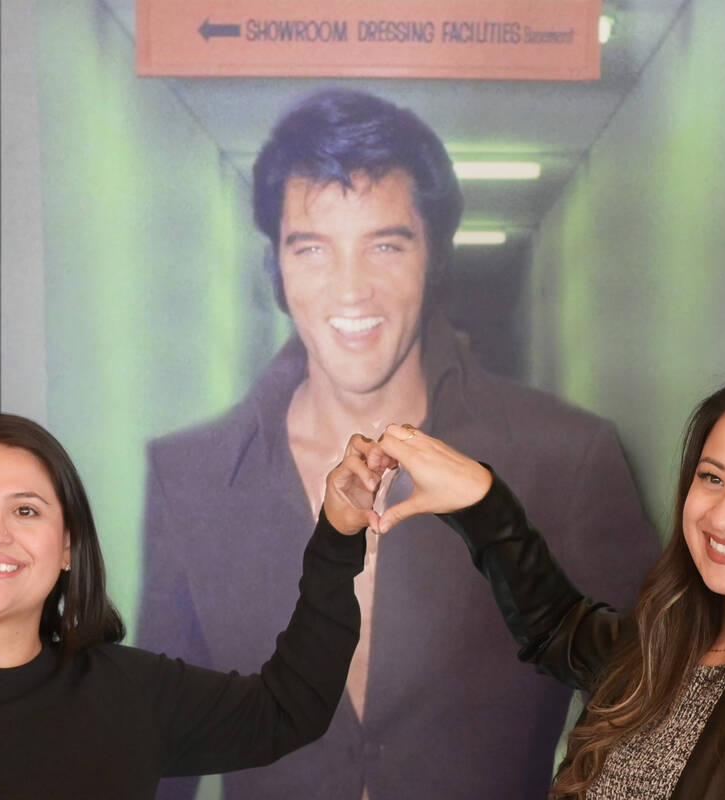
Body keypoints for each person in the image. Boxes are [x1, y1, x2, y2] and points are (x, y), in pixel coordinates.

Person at [138, 88, 659, 799]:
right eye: (313, 247)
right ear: (277, 270)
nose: (351, 289)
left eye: (385, 243)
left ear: (434, 256)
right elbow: (162, 757)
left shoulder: (569, 458)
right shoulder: (188, 476)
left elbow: (660, 718)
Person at [356, 365, 725, 799]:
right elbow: (554, 624)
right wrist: (480, 500)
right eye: (712, 477)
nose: (724, 513)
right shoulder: (657, 648)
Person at [0, 414, 384, 799]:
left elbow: (290, 708)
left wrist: (338, 534)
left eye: (26, 510)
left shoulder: (134, 695)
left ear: (67, 546)